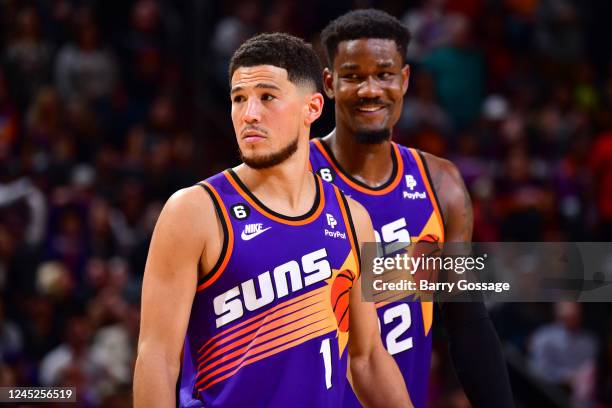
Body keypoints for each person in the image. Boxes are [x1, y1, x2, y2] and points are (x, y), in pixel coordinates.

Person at [134, 32, 411, 407]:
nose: (249, 114)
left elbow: (367, 358)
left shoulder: (352, 218)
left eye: (266, 97)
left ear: (312, 108)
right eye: (238, 99)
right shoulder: (195, 211)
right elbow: (158, 357)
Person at [311, 9, 513, 408]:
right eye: (353, 76)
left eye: (384, 74)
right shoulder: (292, 178)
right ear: (330, 84)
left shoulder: (442, 184)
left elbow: (468, 323)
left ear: (404, 80)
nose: (370, 89)